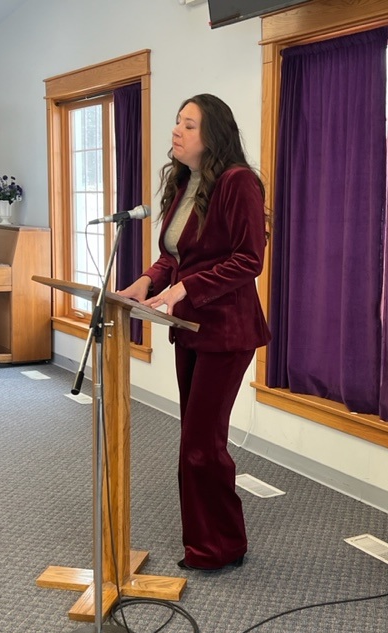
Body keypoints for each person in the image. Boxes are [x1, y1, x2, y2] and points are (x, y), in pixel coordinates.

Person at [118, 93, 271, 571]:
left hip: (227, 330)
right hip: (189, 329)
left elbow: (248, 260)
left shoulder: (238, 181)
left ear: (213, 135)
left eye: (188, 124)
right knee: (197, 439)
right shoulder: (187, 182)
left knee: (202, 444)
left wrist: (183, 290)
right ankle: (212, 541)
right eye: (176, 122)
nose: (176, 132)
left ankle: (219, 547)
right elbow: (174, 255)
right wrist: (145, 281)